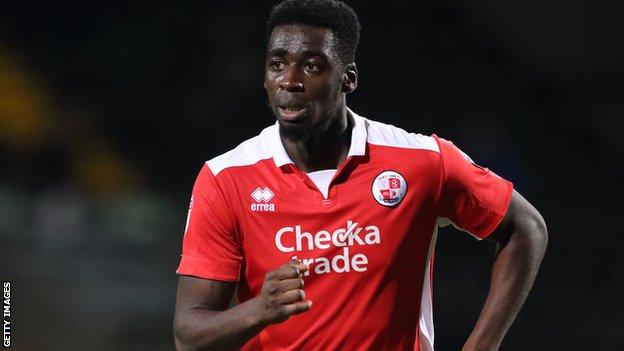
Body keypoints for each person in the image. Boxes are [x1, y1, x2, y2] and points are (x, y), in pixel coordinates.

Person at [173, 0, 548, 350]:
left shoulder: (421, 162)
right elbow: (188, 335)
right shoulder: (225, 179)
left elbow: (525, 228)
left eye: (312, 65)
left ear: (348, 77)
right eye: (277, 64)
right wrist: (258, 310)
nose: (290, 80)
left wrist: (481, 346)